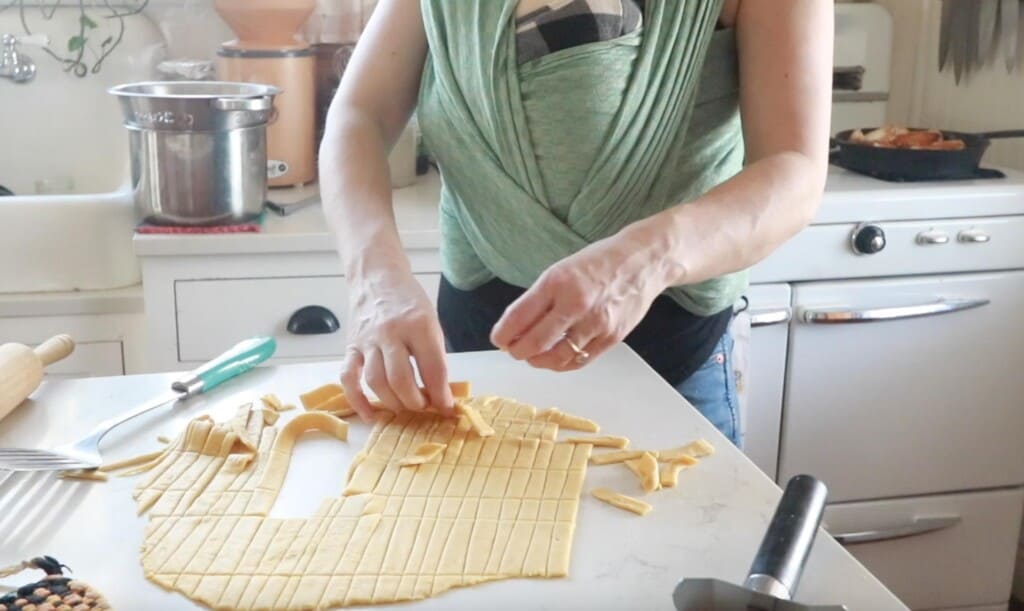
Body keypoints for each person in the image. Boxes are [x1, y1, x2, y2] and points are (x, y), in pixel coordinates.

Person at [319, 0, 832, 446]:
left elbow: (794, 169)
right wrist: (376, 284)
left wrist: (645, 258)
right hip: (468, 365)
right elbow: (359, 116)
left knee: (684, 558)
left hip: (671, 364)